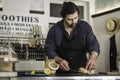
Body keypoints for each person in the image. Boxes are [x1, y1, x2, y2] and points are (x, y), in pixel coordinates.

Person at [44, 1, 100, 75]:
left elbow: (93, 45)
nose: (74, 21)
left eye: (76, 18)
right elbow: (49, 49)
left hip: (82, 73)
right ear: (63, 17)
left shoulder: (85, 27)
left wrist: (93, 58)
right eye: (70, 19)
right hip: (61, 74)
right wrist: (59, 60)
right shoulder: (54, 30)